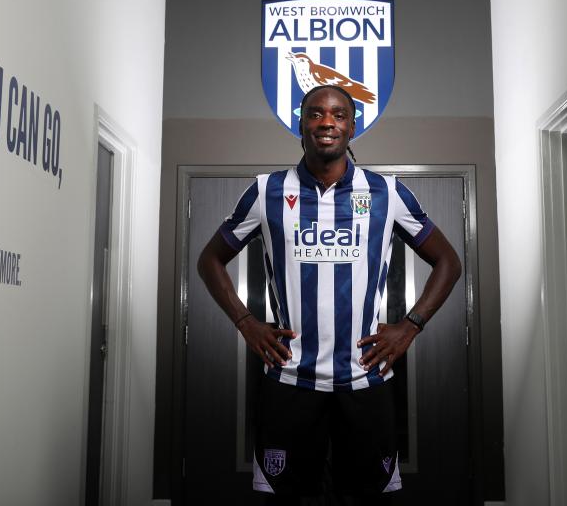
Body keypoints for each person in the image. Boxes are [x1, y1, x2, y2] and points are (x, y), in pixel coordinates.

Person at [197, 84, 462, 504]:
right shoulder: (267, 192)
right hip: (290, 382)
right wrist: (246, 322)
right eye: (316, 114)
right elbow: (209, 259)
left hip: (365, 381)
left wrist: (409, 328)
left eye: (338, 115)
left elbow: (449, 260)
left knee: (366, 498)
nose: (327, 123)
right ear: (300, 124)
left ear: (352, 127)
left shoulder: (385, 192)